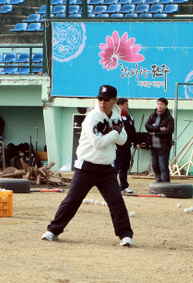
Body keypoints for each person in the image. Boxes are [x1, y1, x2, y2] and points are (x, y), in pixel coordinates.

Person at [41, 85, 134, 247]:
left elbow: (124, 140)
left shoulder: (117, 117)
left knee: (117, 202)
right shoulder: (92, 118)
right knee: (72, 200)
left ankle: (125, 236)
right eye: (100, 99)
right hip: (86, 167)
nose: (102, 103)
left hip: (106, 168)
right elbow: (98, 143)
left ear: (114, 101)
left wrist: (113, 131)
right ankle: (52, 231)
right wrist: (114, 132)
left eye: (106, 100)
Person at [145, 97, 174, 183]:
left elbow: (169, 131)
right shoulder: (152, 116)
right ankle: (158, 183)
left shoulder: (169, 118)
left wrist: (155, 133)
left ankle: (166, 185)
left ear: (165, 106)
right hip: (153, 146)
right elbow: (147, 126)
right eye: (158, 104)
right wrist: (158, 128)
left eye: (162, 104)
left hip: (163, 147)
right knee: (155, 166)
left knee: (163, 167)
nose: (159, 106)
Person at [115, 98, 137, 194]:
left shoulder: (130, 118)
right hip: (117, 148)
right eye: (126, 105)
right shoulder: (115, 118)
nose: (127, 107)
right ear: (120, 106)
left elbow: (133, 133)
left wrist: (136, 142)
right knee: (115, 168)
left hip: (127, 148)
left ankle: (124, 186)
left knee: (124, 167)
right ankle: (113, 187)